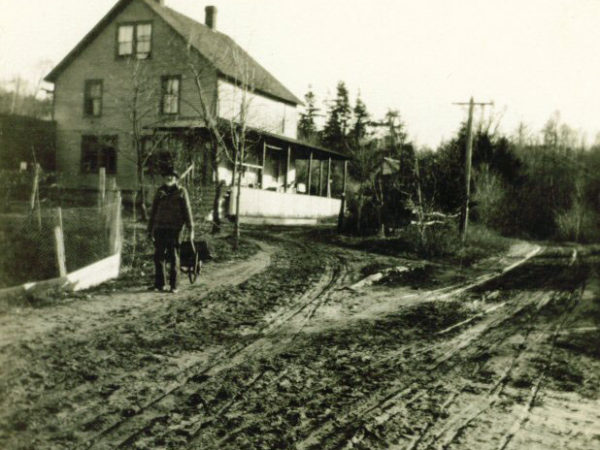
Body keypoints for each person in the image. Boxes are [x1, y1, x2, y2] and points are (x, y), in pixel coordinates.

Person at [148, 169, 194, 293]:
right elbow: (153, 212)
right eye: (167, 176)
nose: (169, 178)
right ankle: (160, 284)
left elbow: (187, 210)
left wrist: (191, 228)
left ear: (176, 179)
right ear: (164, 178)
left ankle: (174, 286)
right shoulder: (159, 192)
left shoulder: (181, 192)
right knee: (159, 256)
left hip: (175, 229)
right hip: (160, 228)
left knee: (174, 256)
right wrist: (150, 229)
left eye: (172, 176)